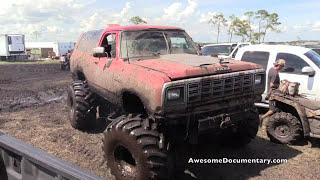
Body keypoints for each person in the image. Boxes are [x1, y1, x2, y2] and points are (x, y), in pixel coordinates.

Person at [260, 59, 286, 125]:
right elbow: (272, 85)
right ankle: (262, 118)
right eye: (282, 66)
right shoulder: (275, 73)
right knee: (273, 110)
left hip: (272, 93)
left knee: (275, 109)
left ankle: (268, 122)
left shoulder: (271, 69)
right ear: (279, 66)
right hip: (273, 94)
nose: (282, 68)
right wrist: (269, 94)